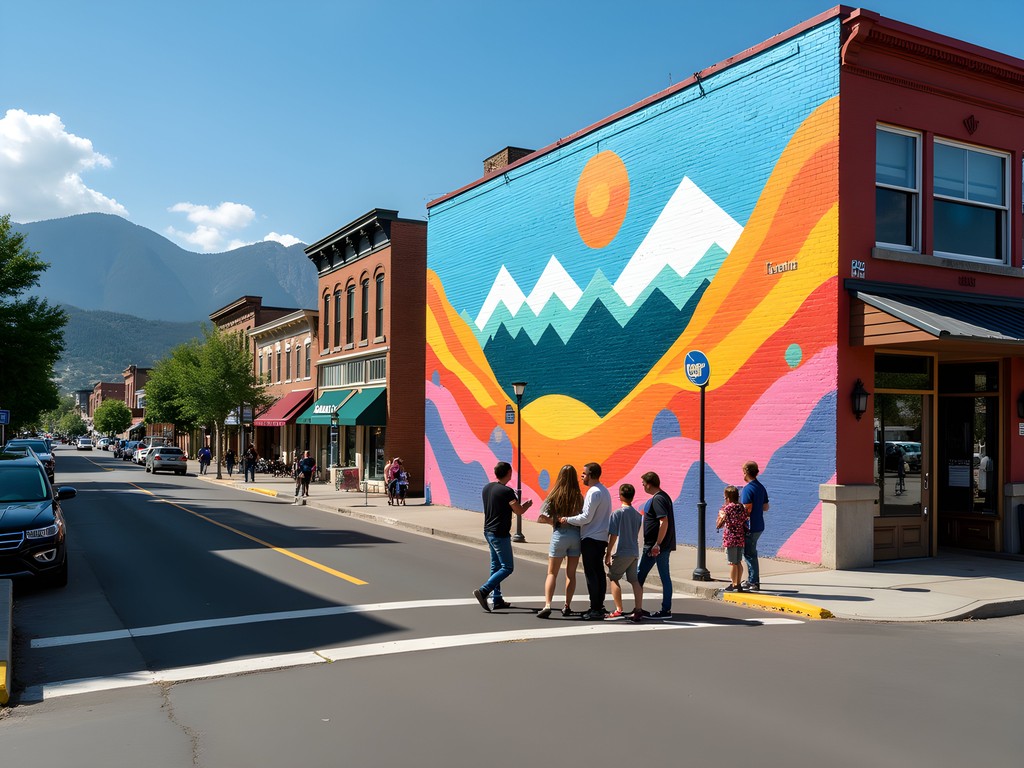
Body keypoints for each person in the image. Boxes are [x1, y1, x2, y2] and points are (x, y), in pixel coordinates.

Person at [473, 461, 533, 612]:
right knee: (507, 567)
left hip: (488, 531)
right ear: (509, 473)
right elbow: (518, 511)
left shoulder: (487, 488)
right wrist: (528, 505)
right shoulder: (507, 492)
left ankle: (497, 599)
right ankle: (484, 590)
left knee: (496, 565)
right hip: (500, 534)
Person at [558, 462, 611, 620]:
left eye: (584, 473)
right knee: (599, 573)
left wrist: (567, 519)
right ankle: (599, 606)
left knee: (592, 574)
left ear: (591, 475)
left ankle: (595, 608)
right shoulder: (604, 491)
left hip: (591, 538)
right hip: (601, 538)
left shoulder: (593, 492)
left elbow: (586, 517)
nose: (582, 476)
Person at [535, 464, 584, 619]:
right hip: (575, 536)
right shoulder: (579, 497)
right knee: (571, 574)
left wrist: (554, 522)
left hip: (559, 535)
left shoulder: (554, 496)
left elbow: (541, 517)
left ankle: (547, 604)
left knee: (552, 573)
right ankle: (567, 605)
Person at [637, 471, 676, 618]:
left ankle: (638, 609)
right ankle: (666, 609)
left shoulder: (658, 499)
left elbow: (663, 521)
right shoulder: (663, 496)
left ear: (648, 484)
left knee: (639, 576)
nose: (642, 487)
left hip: (655, 547)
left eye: (643, 484)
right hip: (660, 546)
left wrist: (657, 544)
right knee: (664, 577)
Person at [605, 483, 643, 622]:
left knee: (613, 577)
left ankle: (618, 609)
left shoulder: (616, 514)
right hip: (633, 551)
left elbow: (613, 535)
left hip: (622, 551)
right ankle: (638, 609)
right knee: (634, 580)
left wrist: (608, 552)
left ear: (620, 495)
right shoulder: (637, 516)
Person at [741, 460, 770, 592]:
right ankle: (753, 579)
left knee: (749, 554)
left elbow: (747, 509)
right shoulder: (761, 487)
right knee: (751, 552)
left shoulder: (747, 489)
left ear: (746, 472)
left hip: (750, 527)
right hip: (759, 525)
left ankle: (753, 581)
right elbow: (766, 507)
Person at [716, 485, 749, 592]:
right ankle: (738, 583)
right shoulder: (741, 507)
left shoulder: (727, 509)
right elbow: (745, 518)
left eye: (725, 497)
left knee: (732, 563)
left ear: (728, 497)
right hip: (740, 536)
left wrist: (721, 515)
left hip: (730, 538)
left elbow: (719, 525)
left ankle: (733, 583)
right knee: (738, 562)